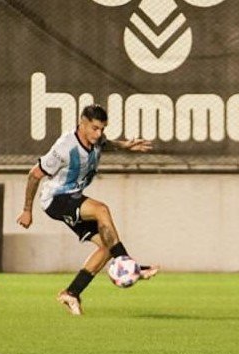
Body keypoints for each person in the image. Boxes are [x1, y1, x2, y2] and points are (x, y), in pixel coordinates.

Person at [16, 104, 158, 315]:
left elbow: (106, 144)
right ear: (82, 123)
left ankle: (71, 293)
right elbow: (34, 174)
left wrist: (126, 146)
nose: (99, 133)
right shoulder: (64, 148)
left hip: (72, 197)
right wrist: (27, 210)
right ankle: (127, 262)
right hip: (56, 199)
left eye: (102, 129)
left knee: (107, 247)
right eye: (94, 128)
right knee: (101, 210)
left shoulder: (96, 139)